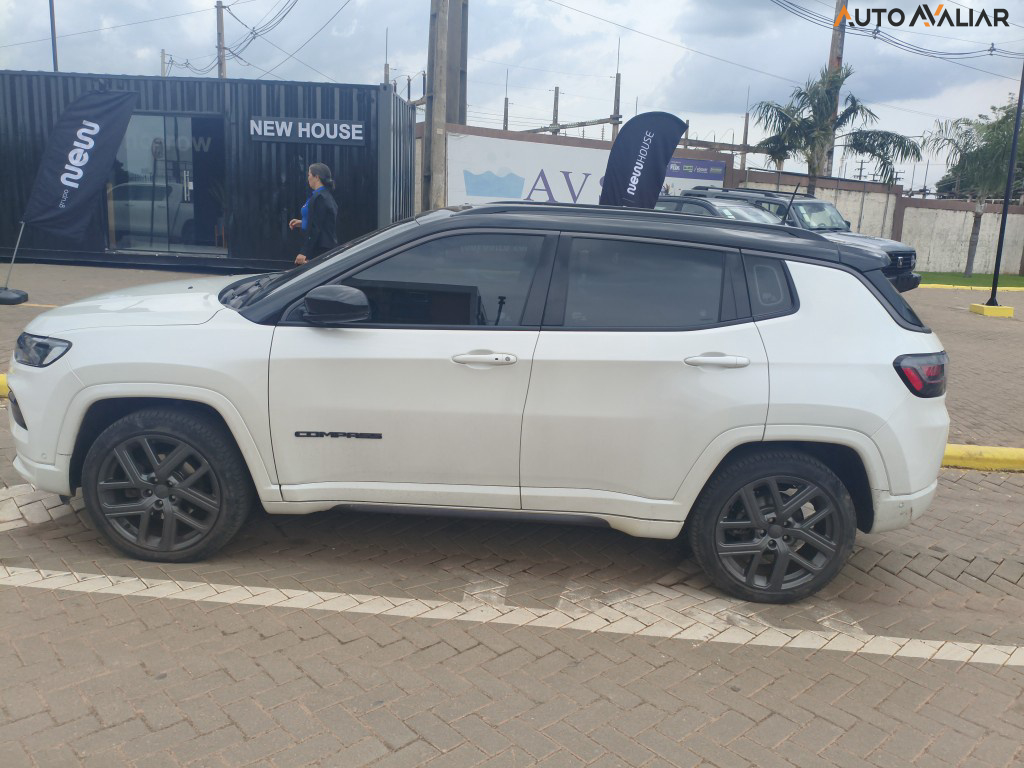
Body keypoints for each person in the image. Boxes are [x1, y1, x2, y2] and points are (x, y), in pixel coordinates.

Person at [289, 163, 338, 265]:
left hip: (319, 249)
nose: (308, 178)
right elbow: (321, 221)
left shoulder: (319, 197)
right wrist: (302, 222)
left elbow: (316, 228)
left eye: (309, 175)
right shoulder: (324, 195)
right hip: (321, 247)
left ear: (317, 177)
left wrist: (304, 252)